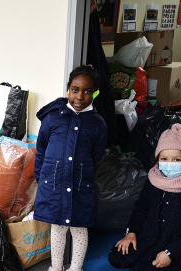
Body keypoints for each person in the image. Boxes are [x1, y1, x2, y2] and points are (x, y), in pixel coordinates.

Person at [109, 123, 181, 271]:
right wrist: (131, 232)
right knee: (117, 256)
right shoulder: (153, 180)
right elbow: (141, 209)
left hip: (177, 247)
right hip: (150, 238)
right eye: (164, 158)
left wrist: (171, 253)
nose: (169, 164)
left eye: (177, 159)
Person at [33, 65, 108, 271]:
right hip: (54, 184)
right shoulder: (53, 117)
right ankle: (56, 267)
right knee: (57, 228)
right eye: (75, 90)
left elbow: (96, 155)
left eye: (87, 91)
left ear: (95, 93)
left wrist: (83, 172)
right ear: (68, 90)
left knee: (79, 228)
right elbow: (42, 148)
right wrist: (41, 177)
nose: (80, 96)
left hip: (80, 185)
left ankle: (76, 268)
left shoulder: (98, 124)